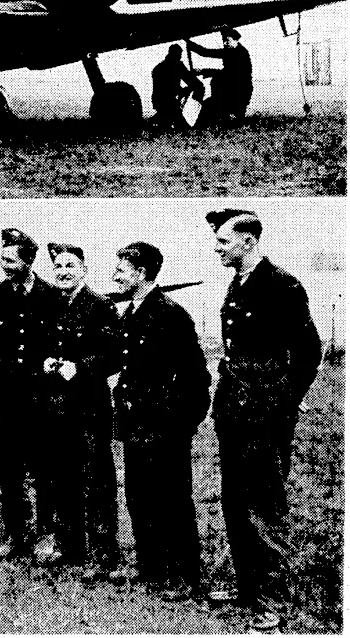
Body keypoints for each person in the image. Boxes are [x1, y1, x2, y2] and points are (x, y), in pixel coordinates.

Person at [206, 209, 322, 632]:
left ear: (249, 241)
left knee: (265, 502)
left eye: (223, 241)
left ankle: (270, 600)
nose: (216, 248)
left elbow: (308, 351)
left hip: (265, 413)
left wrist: (284, 402)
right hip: (234, 408)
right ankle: (246, 585)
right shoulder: (238, 283)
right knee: (235, 498)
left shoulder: (282, 286)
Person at [112, 242, 211, 600]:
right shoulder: (132, 312)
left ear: (141, 273)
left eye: (121, 269)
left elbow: (196, 376)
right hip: (136, 423)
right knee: (141, 496)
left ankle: (186, 575)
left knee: (172, 498)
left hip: (164, 426)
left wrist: (180, 423)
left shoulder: (170, 314)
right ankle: (152, 566)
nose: (115, 275)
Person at [33, 243, 121, 575]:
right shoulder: (50, 304)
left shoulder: (99, 305)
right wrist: (46, 362)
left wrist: (79, 367)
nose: (64, 272)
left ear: (83, 270)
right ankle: (70, 546)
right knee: (63, 476)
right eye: (58, 266)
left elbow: (114, 355)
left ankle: (104, 554)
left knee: (96, 480)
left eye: (70, 266)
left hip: (89, 407)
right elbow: (41, 344)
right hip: (55, 407)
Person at [0, 228, 56, 560]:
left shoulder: (51, 296)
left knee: (44, 468)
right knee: (7, 470)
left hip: (40, 399)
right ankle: (14, 534)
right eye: (2, 259)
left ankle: (46, 535)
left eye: (11, 260)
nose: (5, 265)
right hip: (3, 399)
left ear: (28, 261)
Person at [188, 27, 253, 125]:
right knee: (210, 108)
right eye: (224, 41)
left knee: (209, 108)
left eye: (227, 40)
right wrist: (191, 45)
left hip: (238, 91)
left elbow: (229, 74)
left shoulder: (240, 54)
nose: (225, 43)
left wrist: (202, 71)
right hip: (233, 89)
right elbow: (205, 52)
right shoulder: (231, 51)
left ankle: (232, 114)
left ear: (235, 40)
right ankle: (228, 115)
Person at [150, 44, 205, 131]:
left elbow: (167, 86)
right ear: (178, 54)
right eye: (179, 54)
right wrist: (192, 88)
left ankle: (161, 119)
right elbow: (192, 82)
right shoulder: (177, 65)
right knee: (183, 126)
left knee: (167, 119)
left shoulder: (158, 67)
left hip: (158, 101)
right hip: (170, 102)